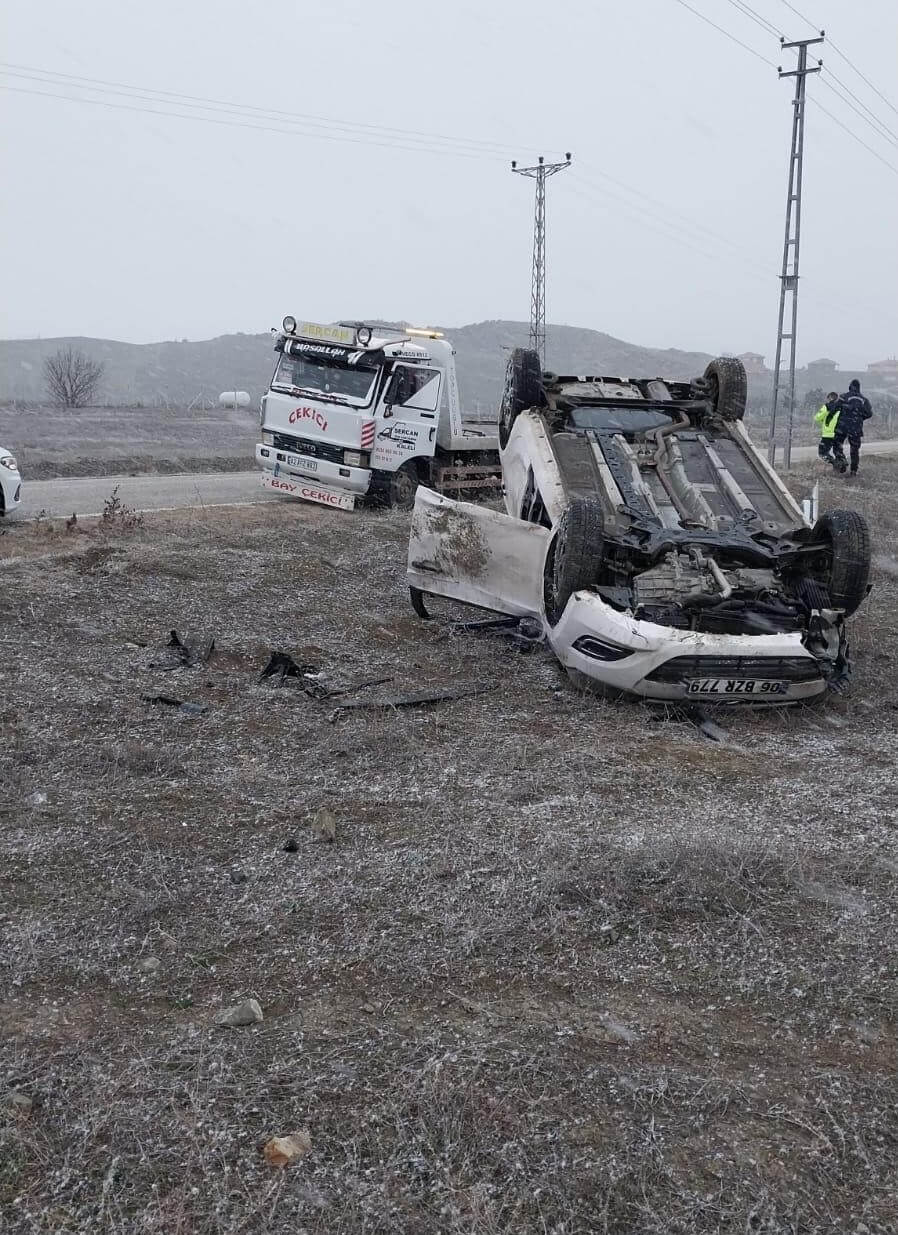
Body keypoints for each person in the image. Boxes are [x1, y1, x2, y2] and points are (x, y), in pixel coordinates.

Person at [831, 379, 873, 476]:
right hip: (856, 428)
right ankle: (853, 471)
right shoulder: (864, 400)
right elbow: (869, 414)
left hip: (842, 426)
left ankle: (842, 462)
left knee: (837, 445)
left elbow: (835, 408)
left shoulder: (843, 397)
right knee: (854, 450)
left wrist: (843, 413)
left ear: (850, 387)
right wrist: (860, 418)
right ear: (859, 388)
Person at [813, 391, 840, 461]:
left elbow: (817, 417)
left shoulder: (827, 406)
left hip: (828, 434)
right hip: (839, 434)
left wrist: (823, 419)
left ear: (830, 398)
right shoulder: (841, 408)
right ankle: (842, 465)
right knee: (838, 453)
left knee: (822, 453)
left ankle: (835, 463)